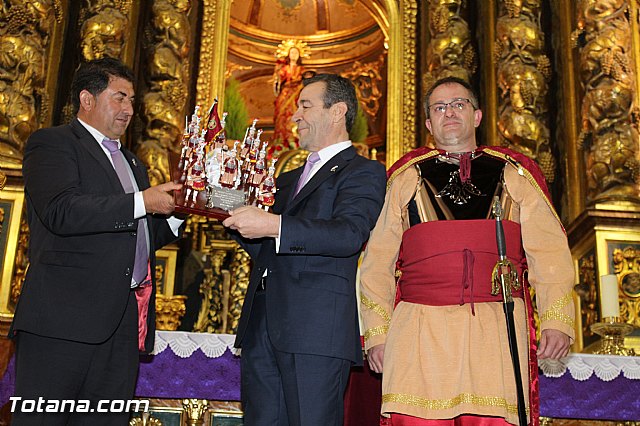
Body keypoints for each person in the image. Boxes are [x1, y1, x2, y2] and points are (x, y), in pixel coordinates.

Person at [359, 76, 575, 426]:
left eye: (459, 104)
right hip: (419, 330)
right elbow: (376, 265)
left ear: (476, 116)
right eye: (440, 108)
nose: (450, 113)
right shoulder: (404, 179)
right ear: (429, 123)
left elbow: (549, 253)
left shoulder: (515, 174)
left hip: (496, 328)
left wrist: (556, 321)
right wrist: (377, 335)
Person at [9, 57, 184, 425]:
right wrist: (143, 201)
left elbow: (137, 239)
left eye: (132, 101)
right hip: (62, 323)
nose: (129, 109)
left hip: (120, 325)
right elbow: (61, 210)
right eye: (119, 98)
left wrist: (181, 212)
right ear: (87, 99)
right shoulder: (53, 143)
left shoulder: (133, 163)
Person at [222, 73, 386, 426]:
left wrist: (273, 224)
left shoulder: (363, 172)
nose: (294, 116)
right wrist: (217, 203)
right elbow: (267, 249)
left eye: (305, 106)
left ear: (337, 111)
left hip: (315, 331)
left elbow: (348, 234)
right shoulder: (286, 179)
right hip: (261, 325)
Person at [272, 42, 314, 150]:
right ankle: (281, 140)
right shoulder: (283, 69)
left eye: (296, 52)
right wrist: (277, 72)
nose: (294, 54)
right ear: (288, 54)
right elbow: (277, 82)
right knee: (282, 116)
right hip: (285, 94)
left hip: (297, 95)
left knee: (295, 115)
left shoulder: (302, 70)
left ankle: (294, 138)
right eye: (292, 52)